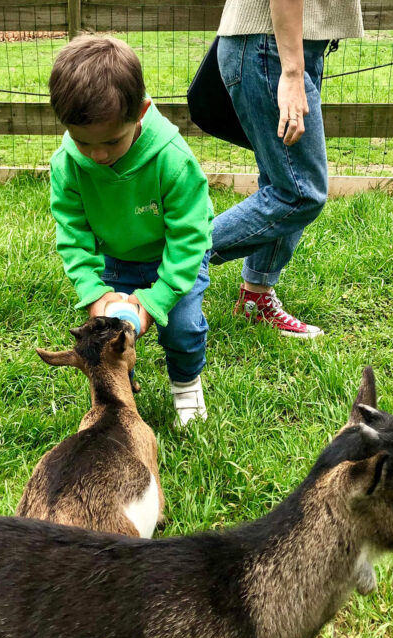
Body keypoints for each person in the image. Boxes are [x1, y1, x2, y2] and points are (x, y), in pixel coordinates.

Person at [48, 35, 214, 425]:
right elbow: (73, 235)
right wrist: (95, 292)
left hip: (172, 255)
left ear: (141, 111)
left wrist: (156, 302)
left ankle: (186, 385)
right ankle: (121, 394)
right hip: (117, 258)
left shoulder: (172, 161)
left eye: (110, 141)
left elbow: (189, 239)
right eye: (82, 141)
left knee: (183, 327)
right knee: (108, 338)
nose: (98, 155)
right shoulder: (67, 164)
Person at [211, 0, 364, 337]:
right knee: (299, 192)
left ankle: (256, 300)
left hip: (283, 45)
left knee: (283, 179)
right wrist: (292, 71)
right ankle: (173, 256)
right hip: (274, 49)